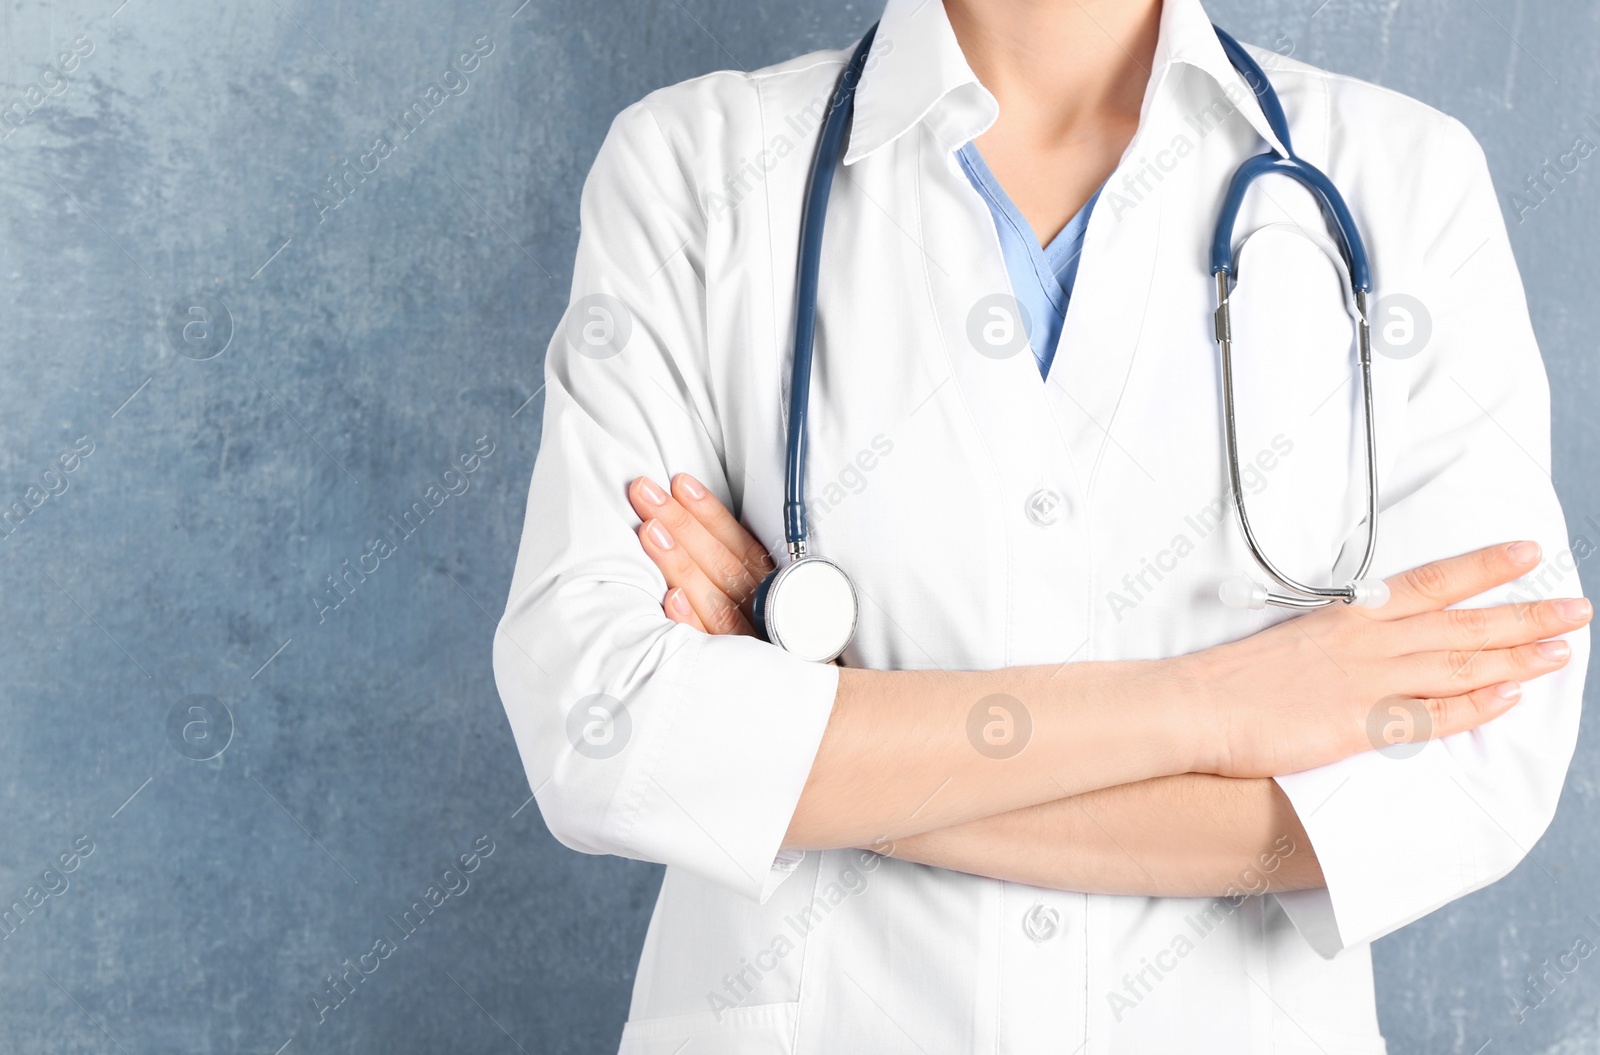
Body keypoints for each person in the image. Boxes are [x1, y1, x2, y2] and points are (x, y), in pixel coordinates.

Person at [492, 0, 1593, 1050]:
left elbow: (1466, 774)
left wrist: (803, 750)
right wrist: (1212, 709)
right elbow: (605, 722)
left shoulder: (1402, 178)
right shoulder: (698, 166)